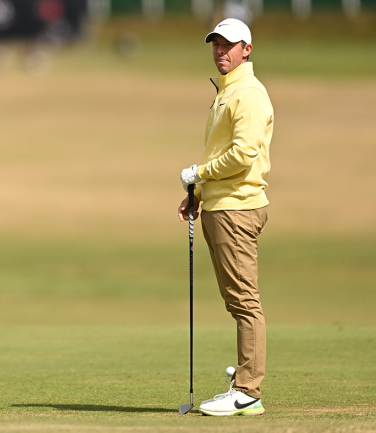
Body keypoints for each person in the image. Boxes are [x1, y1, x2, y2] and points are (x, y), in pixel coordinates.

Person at [178, 18, 273, 417]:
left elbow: (242, 155)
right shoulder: (226, 92)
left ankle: (248, 390)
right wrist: (197, 194)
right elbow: (223, 149)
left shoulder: (247, 94)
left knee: (244, 301)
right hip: (221, 205)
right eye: (216, 44)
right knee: (237, 300)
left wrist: (199, 174)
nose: (221, 51)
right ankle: (243, 384)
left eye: (229, 45)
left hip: (237, 207)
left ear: (246, 49)